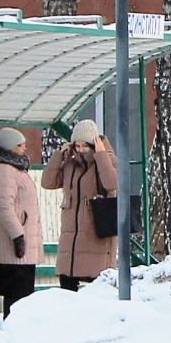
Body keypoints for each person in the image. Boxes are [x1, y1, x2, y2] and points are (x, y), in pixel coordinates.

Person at [41, 119, 119, 291]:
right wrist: (58, 157)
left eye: (86, 145)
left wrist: (101, 155)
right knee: (66, 286)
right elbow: (48, 182)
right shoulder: (70, 164)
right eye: (78, 145)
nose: (82, 150)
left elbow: (112, 183)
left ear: (94, 143)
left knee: (97, 289)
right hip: (71, 240)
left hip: (96, 234)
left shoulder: (107, 158)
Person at [0, 127, 43, 318]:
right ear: (9, 147)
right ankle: (13, 337)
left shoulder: (16, 168)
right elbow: (4, 207)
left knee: (23, 298)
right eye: (19, 145)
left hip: (23, 246)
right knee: (17, 299)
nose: (24, 147)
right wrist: (18, 235)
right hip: (13, 248)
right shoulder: (3, 170)